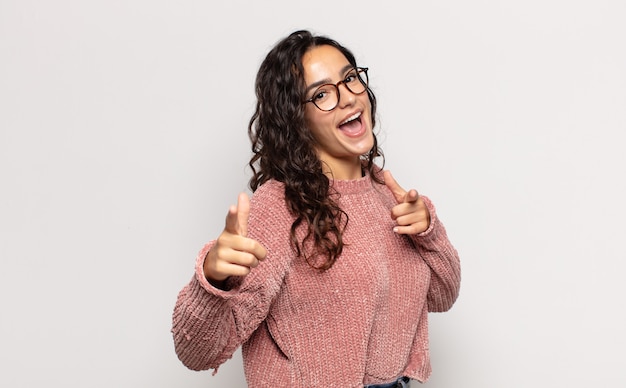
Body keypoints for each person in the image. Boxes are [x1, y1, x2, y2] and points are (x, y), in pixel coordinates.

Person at [172, 30, 461, 388]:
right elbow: (197, 352)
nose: (347, 98)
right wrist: (212, 279)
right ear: (297, 119)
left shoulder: (388, 195)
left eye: (351, 78)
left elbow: (442, 295)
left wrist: (429, 233)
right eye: (322, 94)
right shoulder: (278, 208)